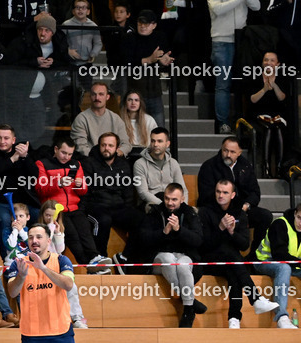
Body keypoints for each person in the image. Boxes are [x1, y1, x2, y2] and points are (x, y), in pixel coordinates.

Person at [199, 180, 279, 328]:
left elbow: (244, 245)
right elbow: (204, 244)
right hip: (209, 260)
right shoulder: (205, 211)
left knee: (233, 270)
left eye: (225, 192)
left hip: (231, 261)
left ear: (233, 195)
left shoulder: (239, 213)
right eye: (218, 191)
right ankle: (254, 299)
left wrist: (232, 232)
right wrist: (220, 228)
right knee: (232, 257)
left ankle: (234, 319)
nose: (220, 195)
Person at [34, 136, 110, 269]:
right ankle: (87, 265)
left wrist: (81, 185)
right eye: (63, 153)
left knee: (85, 230)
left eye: (70, 154)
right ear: (56, 149)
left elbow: (82, 191)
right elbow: (40, 189)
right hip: (56, 210)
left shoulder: (76, 164)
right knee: (72, 236)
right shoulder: (43, 163)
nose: (66, 157)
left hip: (74, 207)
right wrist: (58, 183)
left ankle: (94, 257)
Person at [138, 183, 204, 327]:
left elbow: (198, 240)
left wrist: (179, 230)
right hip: (159, 257)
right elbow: (143, 239)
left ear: (182, 199)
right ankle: (190, 301)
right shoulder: (155, 211)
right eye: (167, 199)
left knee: (181, 265)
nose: (170, 203)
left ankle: (188, 311)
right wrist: (164, 233)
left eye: (174, 199)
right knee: (168, 259)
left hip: (184, 255)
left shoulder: (190, 213)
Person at [196, 137, 274, 256]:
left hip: (241, 209)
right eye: (225, 150)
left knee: (265, 216)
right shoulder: (209, 166)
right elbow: (206, 196)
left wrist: (245, 206)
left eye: (232, 152)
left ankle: (254, 256)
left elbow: (255, 192)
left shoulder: (246, 165)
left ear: (239, 153)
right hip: (217, 211)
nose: (228, 154)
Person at [208, 0, 259, 134]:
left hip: (242, 42)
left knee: (244, 83)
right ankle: (223, 122)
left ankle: (243, 121)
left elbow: (257, 6)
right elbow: (218, 9)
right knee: (223, 84)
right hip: (222, 41)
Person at [83, 133, 144, 268]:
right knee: (103, 220)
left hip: (118, 206)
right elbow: (85, 190)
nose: (106, 148)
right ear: (99, 146)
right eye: (103, 145)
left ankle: (125, 257)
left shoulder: (123, 164)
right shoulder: (89, 162)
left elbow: (128, 191)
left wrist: (129, 208)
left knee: (141, 219)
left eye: (110, 145)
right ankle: (100, 260)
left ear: (116, 148)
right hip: (96, 205)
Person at [247, 50, 289, 178]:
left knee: (278, 128)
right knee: (268, 129)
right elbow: (252, 99)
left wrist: (274, 86)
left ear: (277, 64)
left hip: (277, 116)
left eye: (272, 60)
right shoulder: (254, 77)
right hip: (259, 116)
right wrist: (264, 89)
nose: (268, 63)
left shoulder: (283, 78)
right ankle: (265, 169)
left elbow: (282, 98)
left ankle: (279, 168)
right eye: (266, 60)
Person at [133, 127, 186, 211]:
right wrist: (164, 204)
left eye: (159, 141)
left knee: (190, 212)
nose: (155, 144)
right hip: (151, 203)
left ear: (167, 144)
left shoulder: (173, 163)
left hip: (172, 202)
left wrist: (183, 204)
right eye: (153, 141)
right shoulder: (139, 164)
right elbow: (143, 193)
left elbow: (182, 189)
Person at [70, 82, 129, 156]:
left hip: (112, 161)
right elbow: (81, 147)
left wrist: (114, 155)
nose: (97, 98)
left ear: (107, 97)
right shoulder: (81, 119)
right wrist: (100, 158)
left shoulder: (116, 119)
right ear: (90, 96)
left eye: (101, 94)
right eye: (94, 94)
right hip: (90, 161)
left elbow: (126, 144)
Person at [118, 91, 156, 156]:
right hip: (125, 154)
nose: (133, 103)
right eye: (130, 100)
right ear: (125, 102)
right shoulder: (119, 120)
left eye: (136, 100)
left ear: (140, 103)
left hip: (145, 154)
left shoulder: (149, 120)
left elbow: (155, 140)